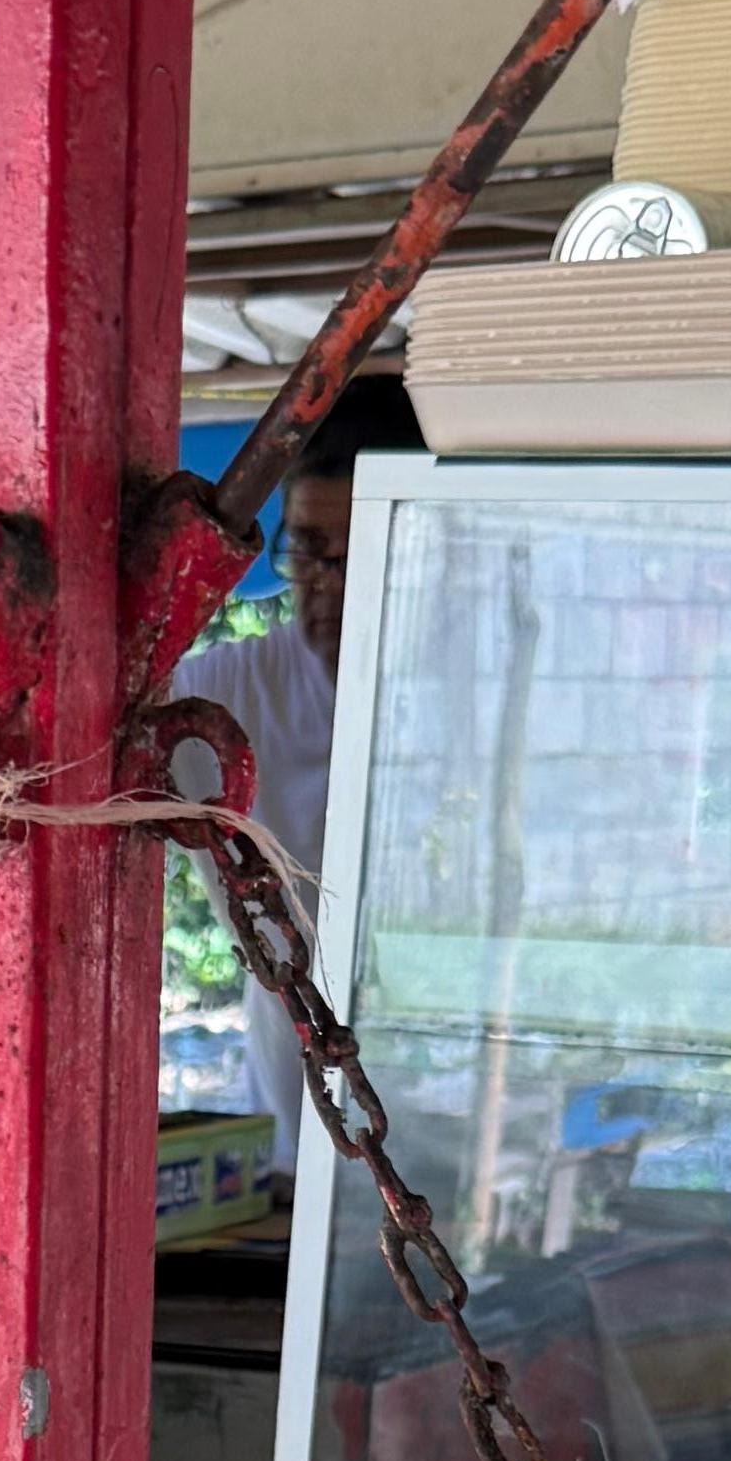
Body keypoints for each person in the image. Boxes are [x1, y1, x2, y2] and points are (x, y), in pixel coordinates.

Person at [166, 367, 426, 1175]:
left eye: (364, 556)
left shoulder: (480, 683)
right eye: (309, 552)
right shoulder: (230, 692)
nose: (327, 588)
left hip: (450, 1122)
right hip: (295, 1126)